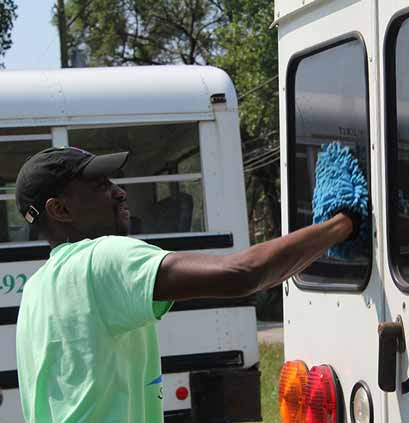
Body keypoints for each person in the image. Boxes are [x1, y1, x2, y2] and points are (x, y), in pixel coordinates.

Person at [14, 147, 359, 422]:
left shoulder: (36, 289)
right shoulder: (101, 258)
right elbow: (242, 274)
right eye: (100, 186)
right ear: (59, 209)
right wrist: (341, 223)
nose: (119, 192)